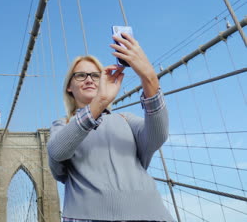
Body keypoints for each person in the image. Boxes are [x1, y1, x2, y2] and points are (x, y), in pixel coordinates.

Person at [47, 33, 175, 222]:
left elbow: (158, 135)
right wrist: (100, 102)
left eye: (95, 75)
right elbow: (57, 152)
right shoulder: (62, 126)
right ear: (69, 87)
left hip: (152, 217)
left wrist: (149, 77)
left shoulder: (125, 119)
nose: (89, 80)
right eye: (81, 75)